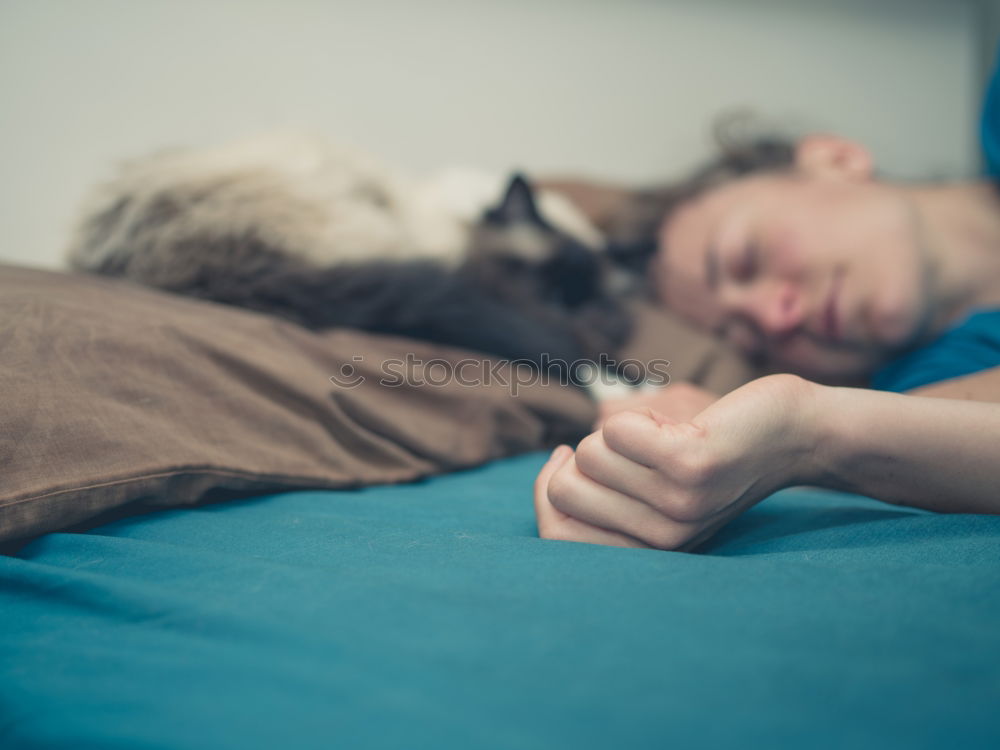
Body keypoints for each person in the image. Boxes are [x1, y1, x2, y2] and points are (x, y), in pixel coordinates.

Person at [533, 63, 1000, 551]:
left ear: (835, 159)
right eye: (747, 338)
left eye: (745, 259)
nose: (776, 318)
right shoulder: (923, 411)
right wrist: (801, 434)